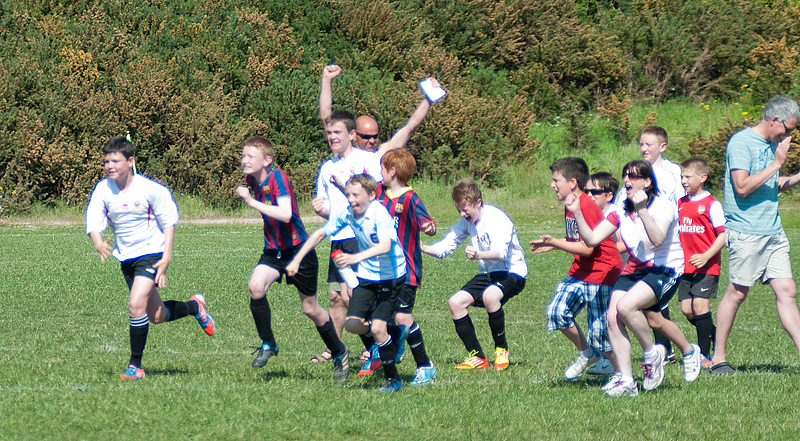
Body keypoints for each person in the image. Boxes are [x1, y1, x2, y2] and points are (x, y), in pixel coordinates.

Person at [567, 160, 702, 396]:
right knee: (613, 317)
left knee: (626, 307)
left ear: (647, 182)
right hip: (636, 268)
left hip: (665, 268)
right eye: (625, 175)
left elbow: (657, 239)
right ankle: (627, 381)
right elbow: (591, 239)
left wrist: (641, 210)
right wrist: (577, 212)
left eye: (633, 176)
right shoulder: (620, 210)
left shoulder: (663, 206)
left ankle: (653, 353)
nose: (627, 180)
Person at [85, 136, 215, 380]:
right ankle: (194, 307)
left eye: (115, 161)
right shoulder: (103, 189)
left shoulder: (150, 189)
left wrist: (166, 258)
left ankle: (136, 366)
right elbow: (93, 219)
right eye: (106, 161)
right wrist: (98, 241)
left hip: (151, 254)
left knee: (135, 305)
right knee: (156, 316)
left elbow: (169, 221)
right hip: (127, 259)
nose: (110, 166)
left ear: (130, 161)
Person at [234, 136, 350, 380]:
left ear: (267, 160)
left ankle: (339, 352)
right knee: (255, 287)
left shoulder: (278, 177)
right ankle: (268, 343)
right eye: (242, 155)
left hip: (299, 250)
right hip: (274, 251)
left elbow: (286, 214)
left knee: (311, 309)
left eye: (249, 156)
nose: (244, 160)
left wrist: (251, 201)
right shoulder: (251, 181)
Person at [287, 174, 409, 392]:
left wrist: (354, 259)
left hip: (392, 276)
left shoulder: (378, 213)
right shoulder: (349, 214)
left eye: (356, 194)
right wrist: (297, 259)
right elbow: (319, 234)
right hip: (368, 276)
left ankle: (393, 379)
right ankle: (397, 333)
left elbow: (385, 246)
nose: (351, 199)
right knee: (353, 325)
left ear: (372, 195)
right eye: (349, 194)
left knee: (379, 329)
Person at [710, 95, 800, 375]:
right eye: (788, 129)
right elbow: (742, 187)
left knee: (787, 291)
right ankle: (718, 359)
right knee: (737, 294)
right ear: (774, 120)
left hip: (772, 230)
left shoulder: (773, 145)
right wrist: (776, 163)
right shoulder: (741, 143)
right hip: (746, 232)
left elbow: (773, 185)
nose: (789, 135)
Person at [531, 158, 622, 383]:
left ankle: (622, 375)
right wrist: (553, 243)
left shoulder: (586, 206)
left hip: (603, 274)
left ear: (572, 182)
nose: (552, 185)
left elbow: (588, 248)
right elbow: (577, 240)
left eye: (556, 180)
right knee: (556, 312)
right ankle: (587, 353)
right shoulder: (570, 204)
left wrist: (555, 242)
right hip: (581, 271)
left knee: (600, 335)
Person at [421, 179, 527, 370]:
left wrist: (478, 255)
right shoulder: (466, 222)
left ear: (478, 202)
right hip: (488, 274)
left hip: (512, 271)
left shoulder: (497, 218)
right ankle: (477, 357)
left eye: (465, 209)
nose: (462, 214)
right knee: (455, 303)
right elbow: (444, 247)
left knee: (489, 296)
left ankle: (501, 350)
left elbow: (500, 253)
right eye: (459, 210)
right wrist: (421, 247)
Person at [356, 149, 437, 385]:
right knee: (379, 315)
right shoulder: (380, 192)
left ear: (392, 171)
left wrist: (429, 227)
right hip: (382, 269)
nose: (379, 173)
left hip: (407, 269)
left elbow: (426, 221)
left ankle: (425, 365)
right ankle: (389, 349)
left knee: (402, 315)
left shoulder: (412, 199)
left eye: (382, 169)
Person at [310, 109, 383, 364]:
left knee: (355, 294)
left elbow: (375, 198)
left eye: (337, 132)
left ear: (352, 135)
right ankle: (337, 349)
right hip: (339, 238)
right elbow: (332, 210)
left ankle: (378, 343)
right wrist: (322, 209)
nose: (332, 137)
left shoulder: (368, 160)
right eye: (329, 133)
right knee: (337, 296)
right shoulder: (327, 167)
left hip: (359, 236)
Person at [616, 126, 686, 363]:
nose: (644, 148)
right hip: (639, 250)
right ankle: (661, 350)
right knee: (645, 311)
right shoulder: (629, 179)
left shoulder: (672, 173)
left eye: (649, 144)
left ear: (663, 147)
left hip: (662, 250)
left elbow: (677, 207)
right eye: (641, 144)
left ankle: (663, 350)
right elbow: (619, 214)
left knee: (644, 306)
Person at [319, 64, 442, 155]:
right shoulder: (343, 153)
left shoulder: (380, 155)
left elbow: (410, 127)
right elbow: (326, 117)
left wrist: (429, 98)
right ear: (354, 135)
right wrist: (326, 79)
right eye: (366, 137)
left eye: (375, 136)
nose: (372, 141)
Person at [677, 157, 725, 369]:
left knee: (699, 305)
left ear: (702, 177)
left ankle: (703, 355)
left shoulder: (711, 205)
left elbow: (723, 236)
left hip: (707, 266)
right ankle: (715, 334)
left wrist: (706, 256)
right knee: (687, 310)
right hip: (686, 266)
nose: (683, 180)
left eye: (688, 176)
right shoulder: (681, 203)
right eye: (682, 176)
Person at [582, 171, 621, 375]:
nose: (589, 195)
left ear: (609, 195)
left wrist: (600, 249)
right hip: (601, 272)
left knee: (609, 318)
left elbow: (623, 244)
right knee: (599, 317)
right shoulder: (593, 213)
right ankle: (608, 360)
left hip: (617, 271)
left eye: (595, 192)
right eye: (587, 191)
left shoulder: (615, 214)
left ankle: (616, 365)